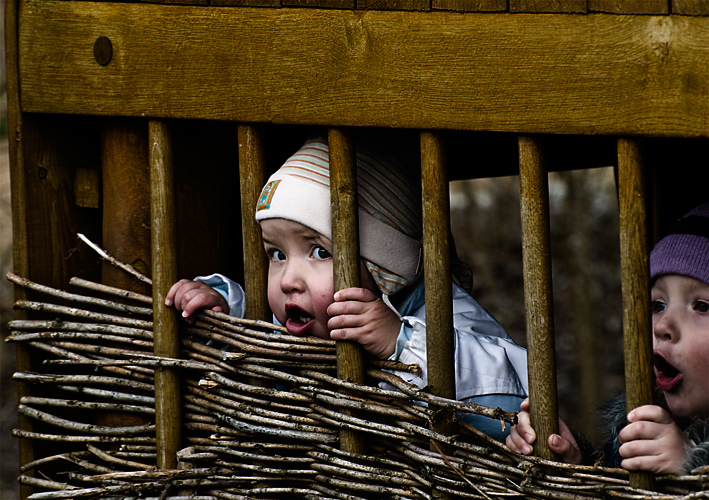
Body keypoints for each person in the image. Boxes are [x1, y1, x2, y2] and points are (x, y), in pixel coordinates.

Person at [166, 134, 528, 440]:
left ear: (382, 268)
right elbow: (260, 333)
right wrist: (224, 308)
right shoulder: (301, 317)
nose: (289, 280)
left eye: (320, 252)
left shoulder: (439, 309)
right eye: (276, 254)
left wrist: (401, 344)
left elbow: (512, 392)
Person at [506, 203, 709, 475]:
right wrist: (578, 467)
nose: (662, 325)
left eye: (702, 306)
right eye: (657, 305)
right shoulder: (634, 425)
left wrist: (693, 466)